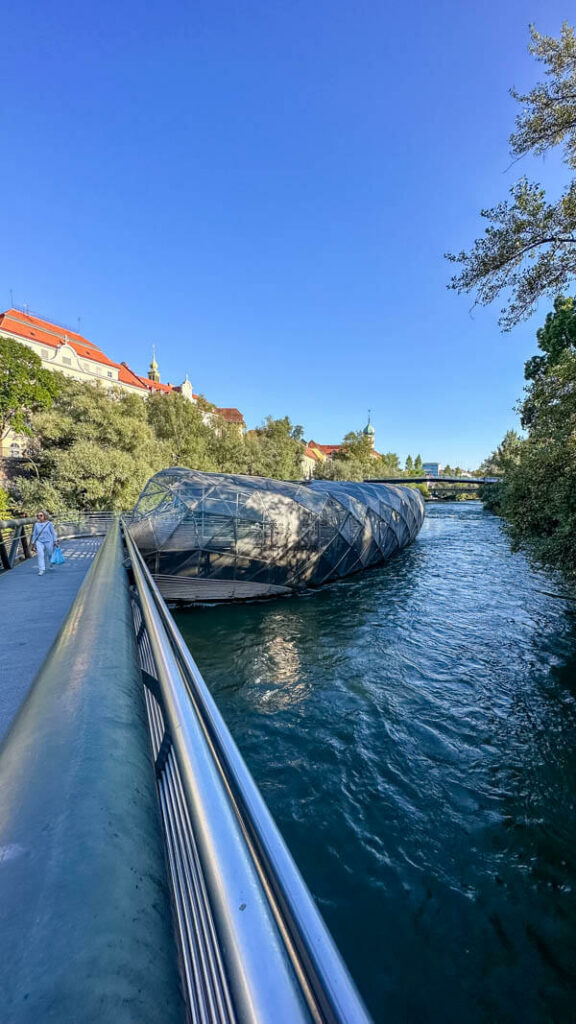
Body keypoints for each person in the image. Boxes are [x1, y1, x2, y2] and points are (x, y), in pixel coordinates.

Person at [31, 511, 59, 576]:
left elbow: (53, 533)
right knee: (40, 555)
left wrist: (55, 541)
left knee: (50, 554)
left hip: (49, 541)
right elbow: (35, 534)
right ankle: (41, 570)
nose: (39, 517)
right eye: (38, 516)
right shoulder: (36, 524)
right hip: (39, 541)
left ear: (44, 516)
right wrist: (33, 543)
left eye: (41, 515)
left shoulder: (49, 523)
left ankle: (51, 563)